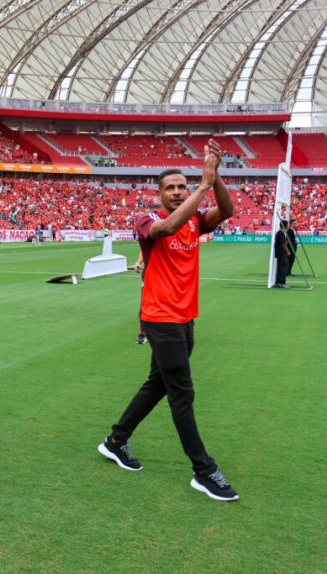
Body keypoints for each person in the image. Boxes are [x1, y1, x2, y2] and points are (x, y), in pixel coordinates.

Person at [97, 140, 240, 502]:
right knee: (182, 393)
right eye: (170, 188)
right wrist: (203, 187)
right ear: (158, 194)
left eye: (182, 187)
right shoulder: (146, 220)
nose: (177, 192)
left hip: (185, 316)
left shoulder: (196, 219)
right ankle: (203, 470)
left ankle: (116, 440)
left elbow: (228, 210)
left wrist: (215, 177)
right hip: (160, 318)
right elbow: (167, 229)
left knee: (157, 384)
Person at [273, 221, 291, 289]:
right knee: (285, 267)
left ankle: (278, 282)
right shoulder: (280, 233)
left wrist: (287, 240)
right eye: (287, 225)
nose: (288, 226)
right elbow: (283, 244)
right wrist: (287, 251)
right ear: (285, 226)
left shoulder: (281, 233)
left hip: (280, 253)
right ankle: (282, 282)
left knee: (280, 268)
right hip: (281, 253)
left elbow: (284, 243)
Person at [134, 250, 147, 345]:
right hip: (149, 275)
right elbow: (144, 249)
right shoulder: (150, 236)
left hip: (168, 275)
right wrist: (139, 263)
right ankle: (142, 333)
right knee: (145, 304)